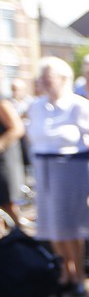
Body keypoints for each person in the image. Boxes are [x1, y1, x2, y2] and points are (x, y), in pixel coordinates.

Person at [27, 57, 89, 295]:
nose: (45, 82)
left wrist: (86, 156)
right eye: (42, 77)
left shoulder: (78, 105)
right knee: (51, 222)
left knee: (71, 223)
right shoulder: (37, 106)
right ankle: (64, 272)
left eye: (49, 77)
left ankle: (79, 274)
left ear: (63, 79)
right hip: (44, 167)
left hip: (70, 168)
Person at [0, 95, 26, 225]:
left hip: (4, 161)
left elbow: (17, 128)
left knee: (8, 203)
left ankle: (19, 233)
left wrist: (1, 144)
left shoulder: (2, 103)